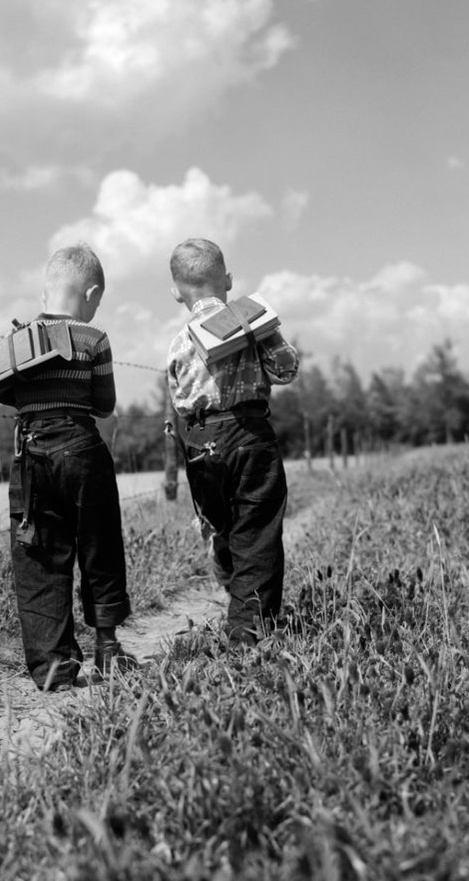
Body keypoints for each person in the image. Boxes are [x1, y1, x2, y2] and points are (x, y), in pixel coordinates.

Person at [0, 243, 136, 691]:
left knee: (38, 556)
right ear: (91, 293)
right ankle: (108, 651)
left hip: (30, 458)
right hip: (81, 450)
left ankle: (53, 668)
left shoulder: (17, 343)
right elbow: (105, 405)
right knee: (100, 548)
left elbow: (5, 395)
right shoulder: (94, 339)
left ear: (44, 295)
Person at [166, 238, 300, 647]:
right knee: (256, 530)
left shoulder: (178, 341)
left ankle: (236, 592)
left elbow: (178, 398)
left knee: (220, 526)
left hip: (202, 442)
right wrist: (268, 340)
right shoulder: (253, 322)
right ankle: (248, 631)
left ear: (176, 292)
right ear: (227, 279)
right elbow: (286, 370)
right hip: (249, 433)